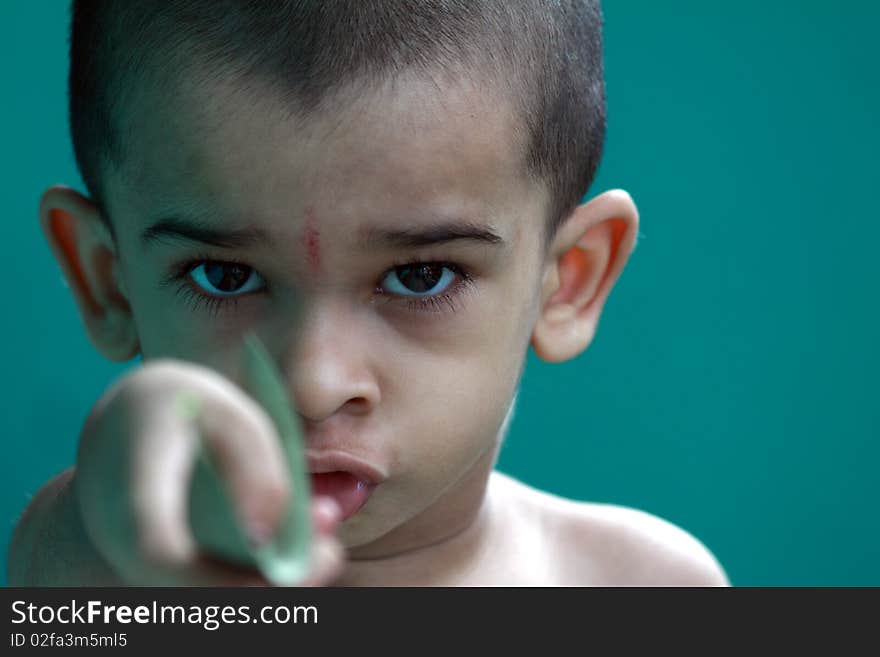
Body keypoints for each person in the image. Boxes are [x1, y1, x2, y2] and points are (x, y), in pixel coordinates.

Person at [7, 0, 728, 586]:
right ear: (108, 282)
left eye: (419, 276)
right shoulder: (97, 574)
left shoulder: (645, 585)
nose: (317, 383)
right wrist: (105, 513)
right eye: (225, 275)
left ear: (568, 280)